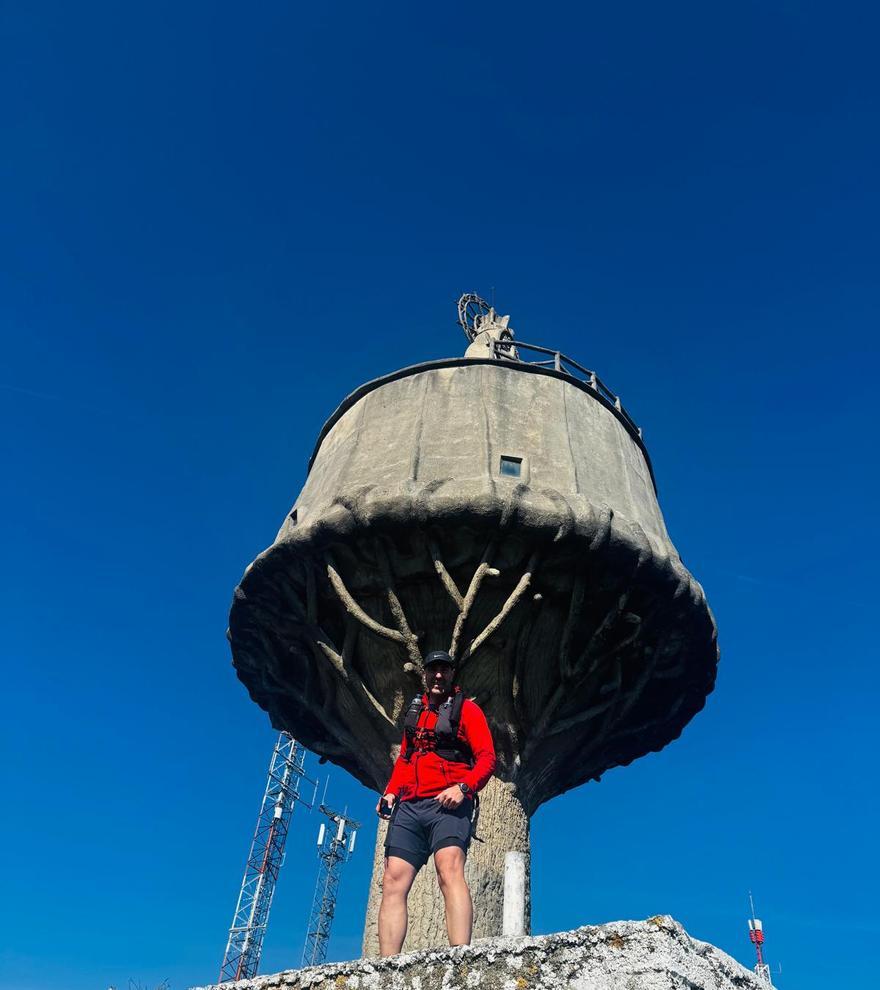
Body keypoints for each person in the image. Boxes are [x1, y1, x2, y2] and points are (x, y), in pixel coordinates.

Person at [375, 650, 496, 955]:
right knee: (392, 879)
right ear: (425, 675)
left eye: (444, 670)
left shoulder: (468, 711)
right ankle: (385, 969)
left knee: (449, 869)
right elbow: (405, 759)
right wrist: (391, 791)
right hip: (411, 805)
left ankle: (459, 958)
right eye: (433, 670)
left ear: (452, 674)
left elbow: (487, 758)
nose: (438, 675)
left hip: (449, 803)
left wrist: (464, 788)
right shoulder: (415, 714)